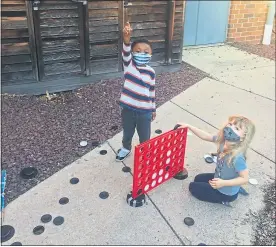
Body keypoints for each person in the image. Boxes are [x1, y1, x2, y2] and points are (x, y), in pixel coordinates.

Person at [178, 115, 255, 204]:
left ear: (243, 138)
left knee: (192, 187)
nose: (230, 128)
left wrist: (223, 183)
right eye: (230, 124)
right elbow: (206, 136)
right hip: (218, 177)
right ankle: (232, 187)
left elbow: (244, 179)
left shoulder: (238, 157)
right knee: (197, 178)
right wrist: (189, 126)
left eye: (237, 128)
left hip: (225, 192)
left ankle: (225, 200)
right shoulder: (223, 141)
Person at [116, 22, 156, 162]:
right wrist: (126, 38)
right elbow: (125, 52)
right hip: (128, 109)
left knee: (145, 135)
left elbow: (151, 92)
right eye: (138, 51)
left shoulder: (151, 72)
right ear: (132, 53)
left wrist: (153, 108)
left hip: (145, 111)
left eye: (146, 52)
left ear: (151, 54)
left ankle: (146, 153)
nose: (142, 54)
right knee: (127, 132)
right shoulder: (129, 66)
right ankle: (126, 148)